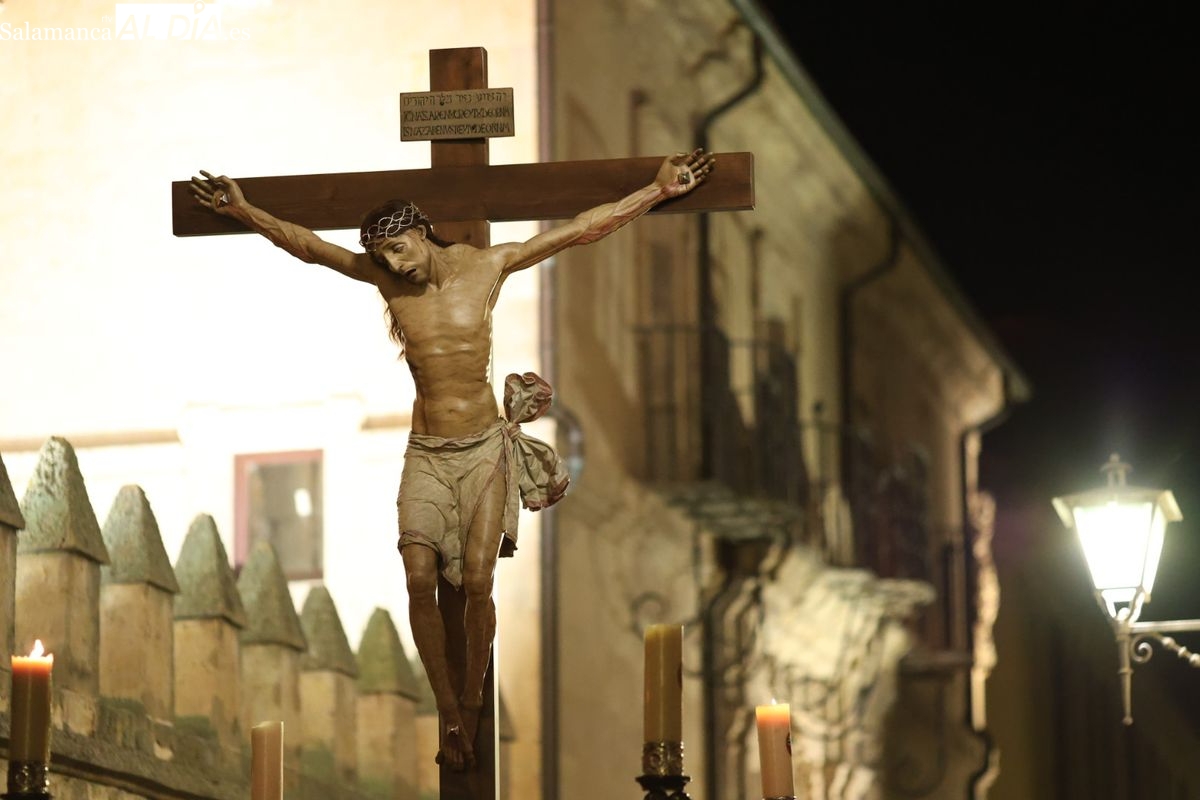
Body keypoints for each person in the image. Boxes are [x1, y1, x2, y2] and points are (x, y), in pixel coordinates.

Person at [189, 148, 715, 770]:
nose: (394, 265)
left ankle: (471, 701)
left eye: (400, 249)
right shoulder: (384, 279)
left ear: (421, 231)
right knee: (417, 574)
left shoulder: (488, 266)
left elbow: (580, 228)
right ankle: (448, 709)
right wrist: (245, 210)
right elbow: (308, 246)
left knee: (477, 580)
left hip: (483, 451)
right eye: (383, 257)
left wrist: (655, 191)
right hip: (428, 452)